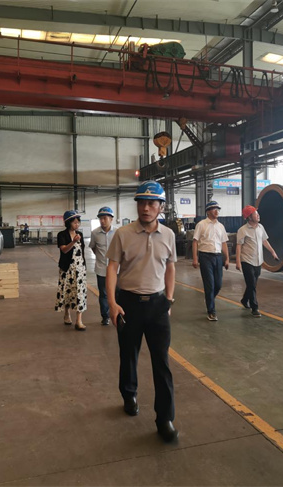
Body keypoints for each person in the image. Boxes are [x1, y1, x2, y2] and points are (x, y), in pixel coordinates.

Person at [106, 181, 178, 442]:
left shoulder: (168, 235)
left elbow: (170, 267)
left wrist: (168, 300)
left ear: (161, 207)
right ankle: (129, 395)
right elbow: (112, 268)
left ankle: (165, 418)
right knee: (129, 355)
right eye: (141, 203)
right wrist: (113, 304)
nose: (145, 208)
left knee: (162, 363)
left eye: (151, 203)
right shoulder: (123, 234)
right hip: (129, 304)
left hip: (157, 305)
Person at [236, 205, 279, 318]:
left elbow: (264, 241)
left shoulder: (261, 227)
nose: (258, 215)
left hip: (258, 261)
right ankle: (254, 308)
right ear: (249, 217)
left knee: (252, 284)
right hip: (247, 261)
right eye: (255, 214)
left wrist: (273, 252)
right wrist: (238, 261)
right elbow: (239, 246)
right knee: (251, 284)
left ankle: (244, 299)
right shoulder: (243, 230)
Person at [192, 201, 229, 321]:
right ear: (208, 211)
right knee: (209, 284)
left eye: (218, 209)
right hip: (205, 257)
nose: (216, 211)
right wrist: (195, 258)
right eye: (214, 209)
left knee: (218, 284)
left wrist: (227, 258)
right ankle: (211, 311)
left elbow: (224, 243)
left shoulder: (221, 226)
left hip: (218, 257)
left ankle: (209, 298)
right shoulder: (201, 225)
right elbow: (195, 242)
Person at [55, 210, 87, 331]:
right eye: (74, 222)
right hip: (67, 269)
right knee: (67, 291)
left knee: (80, 293)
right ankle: (67, 313)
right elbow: (64, 250)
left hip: (79, 269)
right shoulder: (62, 235)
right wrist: (73, 241)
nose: (77, 224)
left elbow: (82, 251)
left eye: (78, 222)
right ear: (68, 223)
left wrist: (84, 266)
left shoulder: (80, 234)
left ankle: (79, 320)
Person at [89, 206, 116, 326]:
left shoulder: (118, 233)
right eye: (100, 218)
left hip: (116, 270)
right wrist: (101, 258)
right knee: (103, 294)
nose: (102, 221)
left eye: (105, 218)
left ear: (111, 219)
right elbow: (93, 247)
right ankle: (105, 316)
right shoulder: (95, 233)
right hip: (101, 269)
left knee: (118, 293)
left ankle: (118, 314)